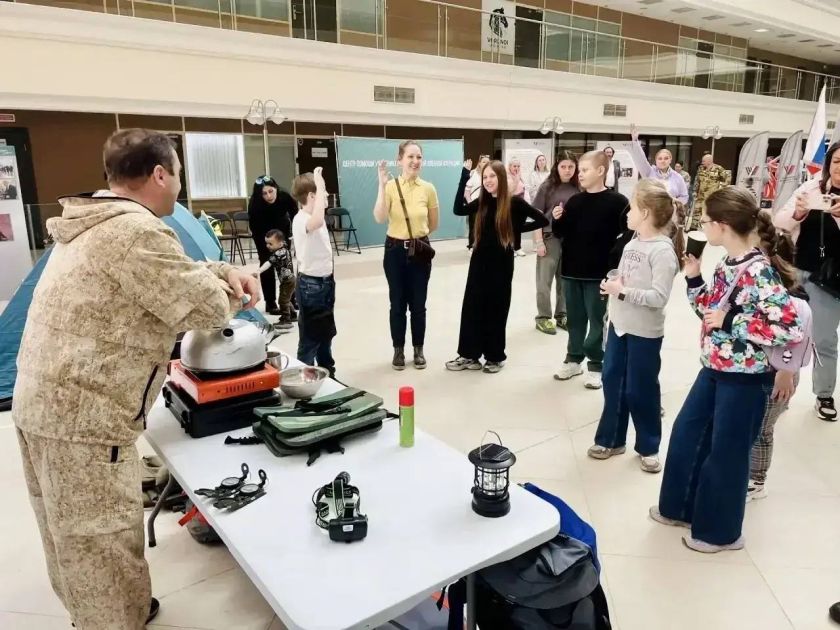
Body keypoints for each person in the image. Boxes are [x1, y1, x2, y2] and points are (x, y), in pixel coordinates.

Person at [12, 128, 259, 629]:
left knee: (67, 534)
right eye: (179, 175)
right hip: (82, 420)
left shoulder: (96, 220)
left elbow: (173, 272)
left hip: (43, 404)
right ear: (160, 174)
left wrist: (217, 269)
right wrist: (236, 290)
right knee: (99, 539)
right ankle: (111, 620)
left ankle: (109, 610)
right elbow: (203, 306)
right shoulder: (135, 232)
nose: (179, 187)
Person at [653, 187, 802, 553]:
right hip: (715, 368)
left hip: (746, 378)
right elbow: (710, 314)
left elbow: (786, 327)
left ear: (722, 226)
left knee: (727, 453)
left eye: (704, 221)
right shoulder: (728, 264)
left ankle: (721, 533)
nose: (702, 227)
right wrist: (693, 278)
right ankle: (681, 508)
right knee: (688, 433)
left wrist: (732, 320)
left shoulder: (759, 270)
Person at [589, 180, 683, 473]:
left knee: (641, 389)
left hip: (644, 333)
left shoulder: (663, 251)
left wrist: (623, 292)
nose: (626, 213)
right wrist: (613, 286)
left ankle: (649, 445)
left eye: (631, 207)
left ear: (644, 213)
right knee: (613, 382)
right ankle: (611, 439)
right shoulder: (632, 242)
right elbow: (627, 279)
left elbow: (658, 297)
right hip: (619, 326)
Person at [447, 159, 548, 373]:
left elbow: (542, 220)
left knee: (496, 308)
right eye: (485, 177)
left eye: (492, 176)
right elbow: (458, 209)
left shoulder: (514, 203)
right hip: (479, 261)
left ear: (501, 178)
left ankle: (494, 356)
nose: (488, 180)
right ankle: (469, 354)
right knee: (472, 307)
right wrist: (464, 176)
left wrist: (516, 228)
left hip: (501, 263)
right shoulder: (482, 202)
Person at [774, 142, 840, 421]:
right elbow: (780, 221)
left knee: (824, 339)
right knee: (785, 331)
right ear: (828, 164)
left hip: (832, 280)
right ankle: (781, 389)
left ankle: (824, 393)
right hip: (799, 272)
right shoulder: (810, 188)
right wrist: (798, 213)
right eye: (837, 161)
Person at [552, 151, 629, 390]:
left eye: (584, 170)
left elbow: (627, 235)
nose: (580, 174)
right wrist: (557, 219)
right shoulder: (575, 201)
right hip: (571, 270)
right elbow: (562, 232)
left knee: (597, 321)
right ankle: (574, 358)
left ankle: (596, 364)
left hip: (599, 274)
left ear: (600, 171)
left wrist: (613, 264)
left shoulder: (618, 202)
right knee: (574, 319)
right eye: (579, 170)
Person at [373, 140, 440, 370]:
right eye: (410, 157)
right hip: (394, 253)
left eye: (419, 157)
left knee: (419, 304)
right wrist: (381, 186)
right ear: (399, 160)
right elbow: (380, 217)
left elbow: (433, 224)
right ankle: (398, 350)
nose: (415, 161)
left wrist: (415, 238)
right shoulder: (391, 186)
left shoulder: (428, 188)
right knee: (397, 303)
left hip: (419, 251)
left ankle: (418, 350)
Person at [292, 167, 336, 378]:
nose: (327, 196)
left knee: (325, 332)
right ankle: (304, 375)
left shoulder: (315, 216)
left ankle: (327, 370)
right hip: (311, 287)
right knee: (310, 337)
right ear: (312, 196)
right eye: (323, 192)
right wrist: (319, 183)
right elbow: (316, 221)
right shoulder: (301, 219)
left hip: (326, 283)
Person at [532, 151, 579, 335]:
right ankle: (543, 317)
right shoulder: (547, 187)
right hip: (549, 237)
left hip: (571, 240)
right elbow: (536, 215)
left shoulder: (579, 187)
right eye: (563, 166)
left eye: (570, 167)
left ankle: (562, 315)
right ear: (557, 167)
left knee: (565, 281)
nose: (567, 170)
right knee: (544, 281)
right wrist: (538, 242)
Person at [248, 175, 298, 316]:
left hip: (281, 231)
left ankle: (290, 300)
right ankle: (270, 303)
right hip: (262, 234)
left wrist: (295, 233)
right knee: (267, 265)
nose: (269, 196)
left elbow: (295, 215)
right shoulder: (255, 203)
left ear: (276, 188)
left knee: (285, 264)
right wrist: (265, 246)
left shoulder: (284, 196)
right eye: (264, 193)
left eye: (271, 191)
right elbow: (254, 228)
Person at [628, 126, 688, 204]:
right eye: (660, 158)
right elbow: (641, 159)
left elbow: (684, 196)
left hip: (670, 212)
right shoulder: (649, 172)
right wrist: (635, 141)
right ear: (656, 161)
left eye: (666, 158)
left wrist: (674, 203)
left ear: (670, 160)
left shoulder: (678, 177)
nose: (663, 161)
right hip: (652, 210)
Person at [253, 228, 296, 328]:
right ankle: (292, 314)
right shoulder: (284, 248)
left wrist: (259, 271)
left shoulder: (278, 253)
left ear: (280, 244)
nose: (267, 246)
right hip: (289, 279)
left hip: (287, 281)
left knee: (283, 300)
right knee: (287, 298)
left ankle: (286, 319)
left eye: (270, 244)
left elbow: (268, 263)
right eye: (267, 243)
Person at [687, 153, 731, 230]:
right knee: (696, 212)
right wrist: (695, 191)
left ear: (709, 161)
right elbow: (697, 180)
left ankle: (711, 229)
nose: (702, 162)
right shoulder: (700, 168)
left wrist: (721, 190)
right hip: (700, 195)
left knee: (710, 213)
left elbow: (727, 179)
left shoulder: (718, 169)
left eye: (704, 161)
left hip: (712, 196)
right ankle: (693, 228)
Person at [465, 155, 490, 251]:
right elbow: (467, 190)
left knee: (485, 225)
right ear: (479, 163)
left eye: (488, 162)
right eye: (484, 161)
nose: (486, 163)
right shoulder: (473, 173)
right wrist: (470, 203)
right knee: (474, 226)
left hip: (487, 204)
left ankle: (482, 244)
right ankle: (472, 245)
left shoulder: (490, 173)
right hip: (475, 204)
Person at [507, 158, 530, 257]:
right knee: (511, 227)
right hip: (511, 205)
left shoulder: (520, 176)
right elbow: (510, 192)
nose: (516, 168)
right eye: (514, 166)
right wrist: (516, 180)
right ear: (510, 167)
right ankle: (510, 248)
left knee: (518, 227)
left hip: (521, 204)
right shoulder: (507, 177)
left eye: (518, 166)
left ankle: (517, 247)